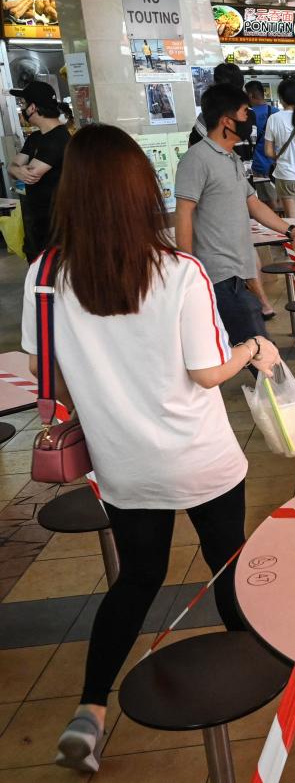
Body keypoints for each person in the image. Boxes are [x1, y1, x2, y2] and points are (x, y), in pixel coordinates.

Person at [34, 125, 279, 774]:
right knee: (228, 564)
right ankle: (256, 679)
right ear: (140, 189)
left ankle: (89, 712)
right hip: (201, 458)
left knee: (136, 581)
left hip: (124, 468)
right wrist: (253, 350)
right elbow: (207, 372)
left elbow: (52, 377)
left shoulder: (46, 274)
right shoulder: (177, 271)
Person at [173, 84, 295, 426]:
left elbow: (254, 204)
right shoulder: (196, 160)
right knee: (260, 345)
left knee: (255, 344)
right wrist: (185, 268)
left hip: (239, 271)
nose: (250, 120)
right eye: (245, 114)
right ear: (227, 121)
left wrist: (292, 232)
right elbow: (184, 213)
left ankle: (288, 406)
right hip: (216, 273)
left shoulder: (230, 159)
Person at [7, 81, 69, 262]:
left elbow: (31, 174)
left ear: (33, 107)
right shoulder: (35, 137)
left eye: (24, 104)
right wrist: (16, 169)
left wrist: (17, 169)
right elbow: (13, 167)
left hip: (56, 225)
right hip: (37, 222)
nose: (23, 109)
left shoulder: (59, 138)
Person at [263, 78, 295, 220]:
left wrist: (280, 156)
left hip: (285, 175)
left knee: (293, 220)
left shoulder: (274, 118)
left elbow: (268, 151)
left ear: (281, 98)